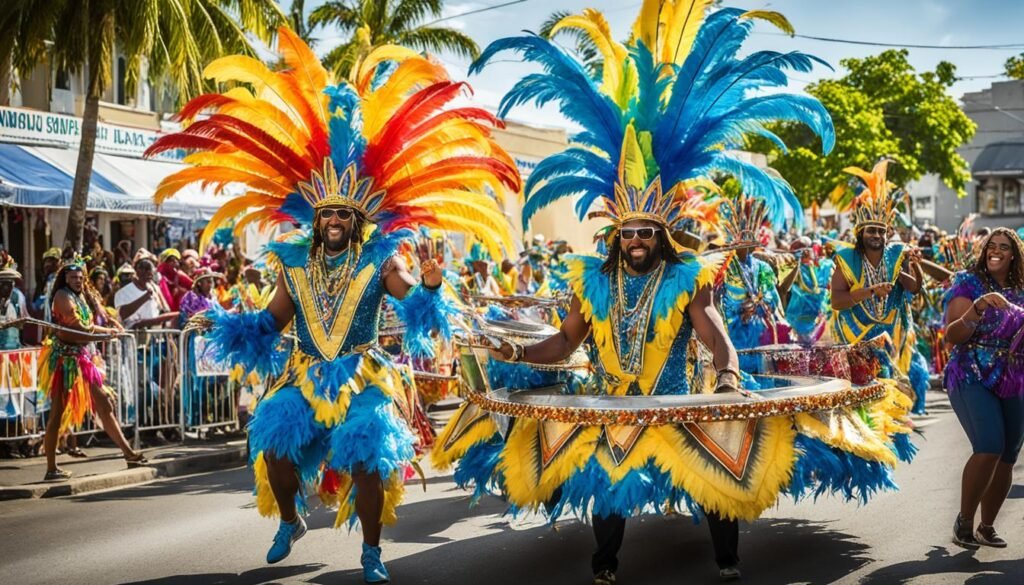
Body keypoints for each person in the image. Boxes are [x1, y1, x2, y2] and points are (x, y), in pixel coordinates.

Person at [428, 5, 844, 584]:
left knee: (717, 476)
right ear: (615, 236)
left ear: (662, 235)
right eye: (628, 233)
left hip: (678, 405)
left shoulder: (686, 279)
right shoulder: (591, 282)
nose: (637, 240)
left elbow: (714, 333)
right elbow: (564, 342)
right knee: (608, 485)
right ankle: (604, 565)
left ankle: (726, 558)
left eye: (646, 232)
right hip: (612, 405)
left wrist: (727, 377)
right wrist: (516, 352)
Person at [145, 28, 519, 583]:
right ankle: (290, 520)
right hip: (305, 371)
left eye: (344, 214)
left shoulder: (380, 261)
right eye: (328, 214)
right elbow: (272, 320)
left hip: (364, 373)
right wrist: (225, 323)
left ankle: (371, 551)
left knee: (367, 457)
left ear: (357, 220)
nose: (336, 220)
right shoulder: (294, 265)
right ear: (317, 220)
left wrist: (431, 287)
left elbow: (413, 302)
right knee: (273, 444)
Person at [942, 227, 1024, 549]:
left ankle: (986, 528)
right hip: (970, 372)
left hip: (1013, 376)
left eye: (1004, 247)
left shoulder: (1021, 288)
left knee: (1007, 456)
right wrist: (977, 307)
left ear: (1014, 255)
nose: (996, 251)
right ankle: (964, 521)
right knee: (990, 445)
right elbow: (953, 335)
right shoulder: (969, 283)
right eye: (992, 245)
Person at [38, 256, 145, 480]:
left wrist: (109, 329)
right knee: (57, 413)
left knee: (104, 404)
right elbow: (78, 328)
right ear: (65, 278)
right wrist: (105, 335)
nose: (78, 280)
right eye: (73, 277)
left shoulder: (79, 297)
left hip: (83, 358)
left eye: (80, 277)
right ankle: (51, 468)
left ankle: (129, 454)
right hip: (65, 360)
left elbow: (89, 325)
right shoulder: (62, 296)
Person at [831, 161, 926, 406]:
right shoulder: (847, 259)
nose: (876, 235)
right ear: (860, 233)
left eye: (881, 231)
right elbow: (837, 301)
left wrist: (915, 264)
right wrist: (871, 290)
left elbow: (914, 288)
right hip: (855, 335)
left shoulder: (895, 256)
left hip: (890, 333)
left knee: (891, 393)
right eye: (871, 231)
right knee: (864, 397)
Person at [780, 236, 835, 344]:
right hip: (799, 316)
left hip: (808, 316)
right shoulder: (796, 266)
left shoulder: (817, 266)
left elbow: (815, 287)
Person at [0, 264, 25, 350]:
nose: (7, 288)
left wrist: (19, 324)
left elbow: (21, 325)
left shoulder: (15, 298)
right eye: (3, 284)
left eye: (10, 284)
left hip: (13, 350)